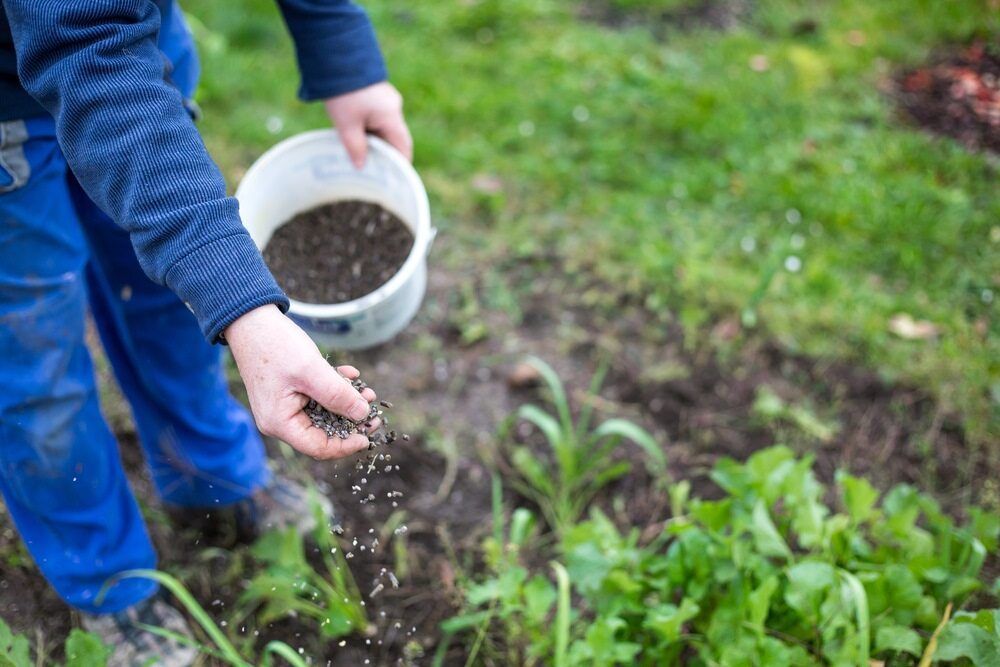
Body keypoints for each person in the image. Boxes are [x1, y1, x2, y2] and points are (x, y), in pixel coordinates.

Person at [0, 1, 412, 663]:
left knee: (169, 295)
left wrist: (340, 49)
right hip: (19, 101)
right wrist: (246, 309)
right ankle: (107, 580)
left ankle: (209, 474)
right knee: (33, 359)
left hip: (135, 39)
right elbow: (86, 46)